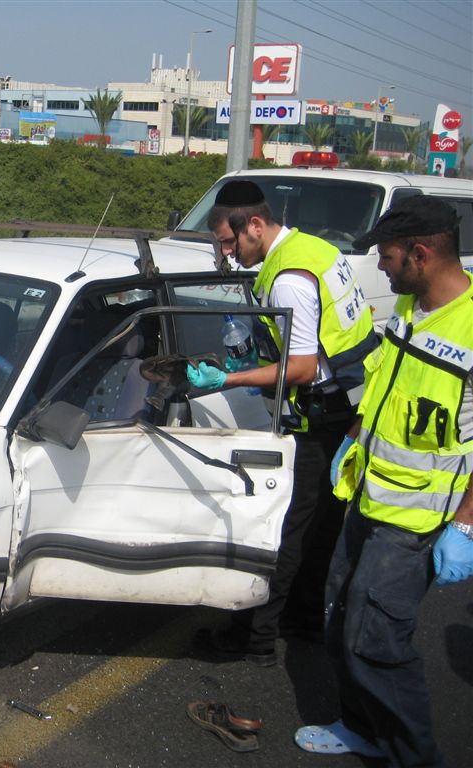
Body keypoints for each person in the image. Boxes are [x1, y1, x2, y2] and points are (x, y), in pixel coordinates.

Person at [295, 196, 473, 766]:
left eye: (387, 256)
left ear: (420, 254)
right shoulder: (410, 305)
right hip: (369, 498)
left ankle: (413, 756)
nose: (379, 267)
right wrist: (353, 434)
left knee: (377, 643)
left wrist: (467, 526)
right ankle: (361, 726)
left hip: (416, 523)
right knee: (339, 616)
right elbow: (386, 384)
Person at [188, 180, 379, 665]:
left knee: (285, 529)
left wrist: (228, 377)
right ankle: (304, 619)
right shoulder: (313, 248)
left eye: (230, 242)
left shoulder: (289, 275)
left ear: (254, 224)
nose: (228, 255)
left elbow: (302, 368)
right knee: (320, 526)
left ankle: (254, 638)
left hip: (324, 412)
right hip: (352, 406)